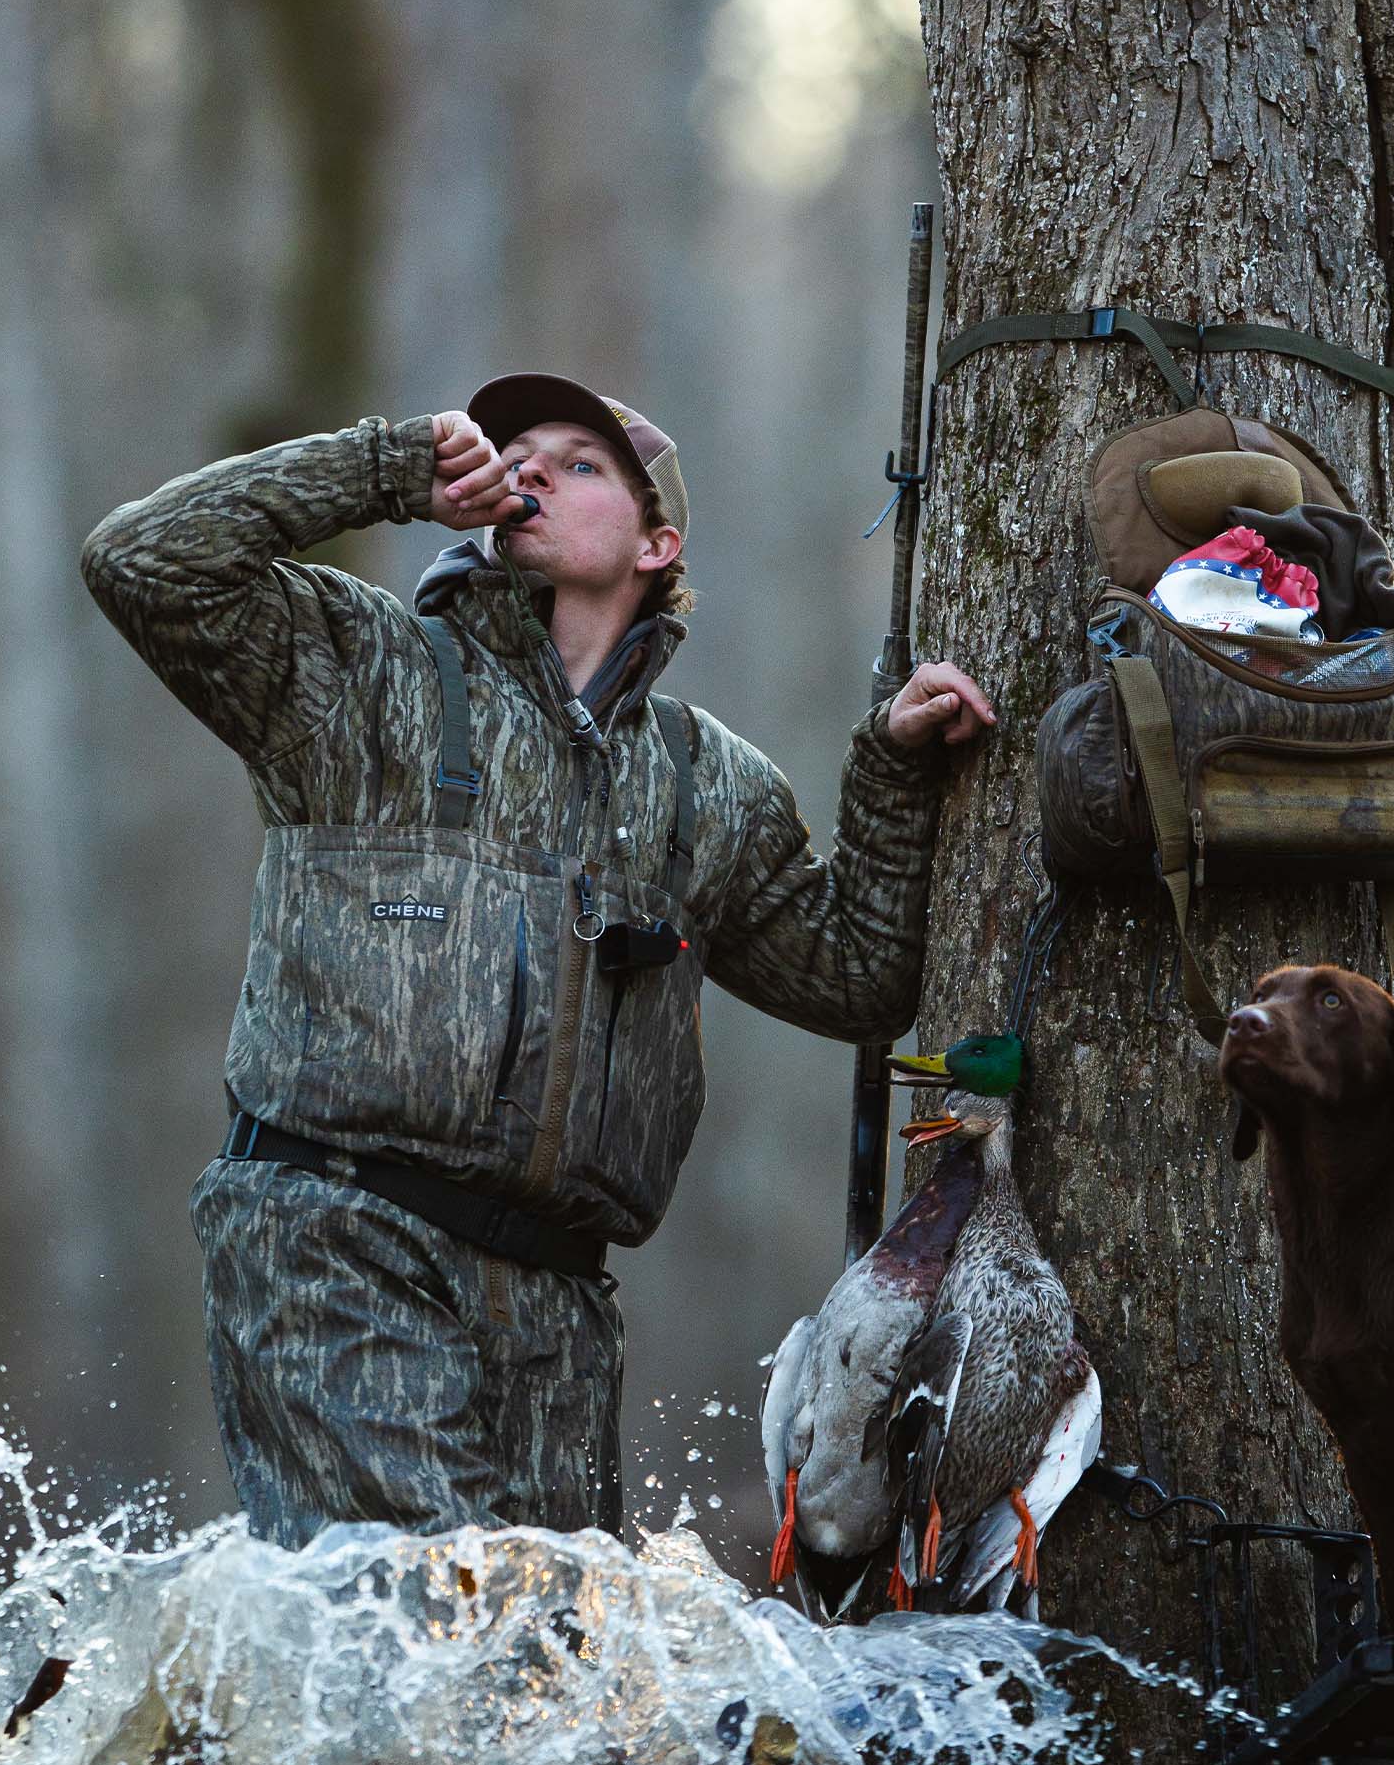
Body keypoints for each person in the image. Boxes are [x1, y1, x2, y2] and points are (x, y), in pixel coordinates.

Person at [82, 375, 995, 1547]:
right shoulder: (355, 667)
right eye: (513, 450)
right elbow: (140, 560)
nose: (530, 469)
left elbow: (861, 974)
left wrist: (892, 768)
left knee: (555, 1684)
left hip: (558, 1302)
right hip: (334, 1243)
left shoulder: (710, 784)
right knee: (433, 1634)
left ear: (656, 544)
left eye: (578, 462)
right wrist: (378, 467)